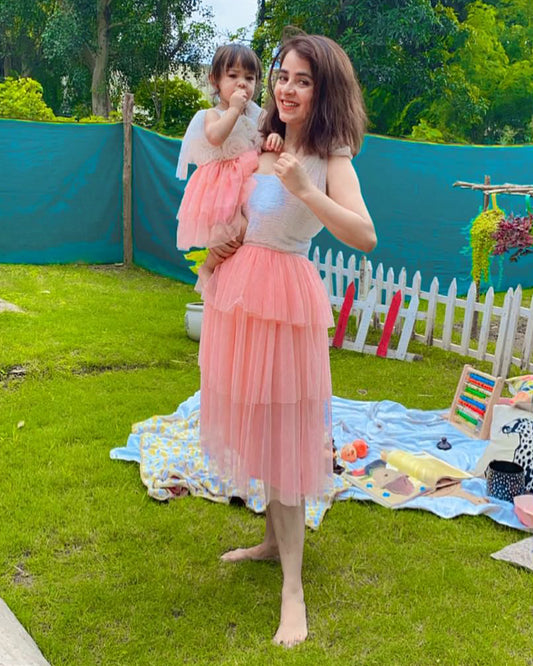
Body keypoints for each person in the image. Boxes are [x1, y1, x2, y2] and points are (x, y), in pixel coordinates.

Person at [198, 33, 377, 647]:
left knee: (287, 436)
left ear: (322, 88)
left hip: (286, 299)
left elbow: (365, 235)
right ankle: (273, 542)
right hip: (241, 291)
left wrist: (306, 189)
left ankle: (293, 589)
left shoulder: (333, 156)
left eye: (302, 79)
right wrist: (225, 242)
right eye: (283, 76)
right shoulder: (260, 141)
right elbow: (245, 208)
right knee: (258, 420)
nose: (286, 88)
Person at [176, 43, 283, 286]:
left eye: (249, 77)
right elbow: (215, 137)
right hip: (222, 186)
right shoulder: (212, 114)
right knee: (236, 230)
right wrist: (234, 109)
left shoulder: (257, 115)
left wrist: (273, 139)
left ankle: (238, 274)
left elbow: (263, 139)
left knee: (252, 228)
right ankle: (208, 268)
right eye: (233, 76)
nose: (242, 83)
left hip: (249, 181)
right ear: (215, 81)